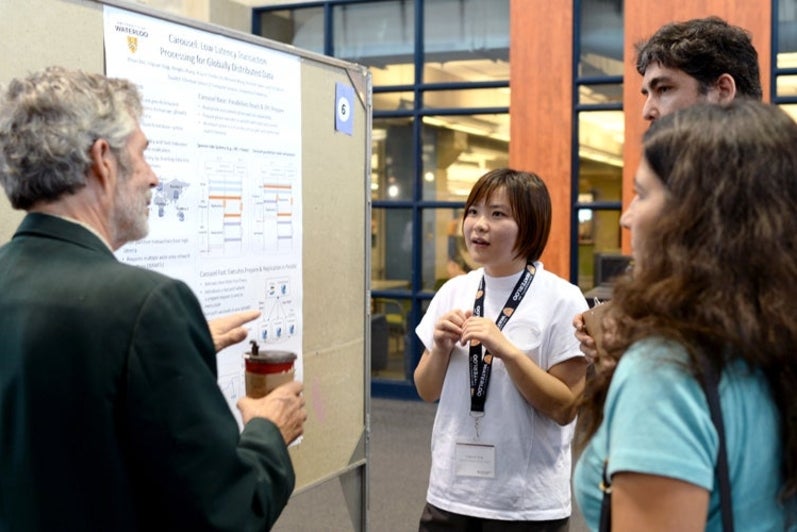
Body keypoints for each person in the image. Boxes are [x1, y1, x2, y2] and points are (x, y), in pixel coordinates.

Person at [0, 66, 307, 531]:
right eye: (143, 155)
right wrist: (270, 430)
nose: (154, 178)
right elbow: (228, 513)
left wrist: (160, 351)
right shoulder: (147, 305)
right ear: (103, 160)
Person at [572, 101, 797, 530]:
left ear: (697, 218)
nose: (626, 218)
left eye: (641, 194)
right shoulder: (773, 341)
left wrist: (641, 384)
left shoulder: (666, 371)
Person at [573, 16, 763, 361]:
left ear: (722, 91)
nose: (647, 110)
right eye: (647, 93)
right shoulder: (684, 189)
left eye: (664, 89)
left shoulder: (769, 200)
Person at [413, 168, 589, 530]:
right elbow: (426, 390)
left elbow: (565, 406)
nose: (479, 225)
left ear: (531, 226)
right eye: (473, 211)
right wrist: (443, 347)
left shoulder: (562, 298)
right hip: (450, 494)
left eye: (498, 214)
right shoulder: (454, 290)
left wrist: (508, 352)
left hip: (525, 506)